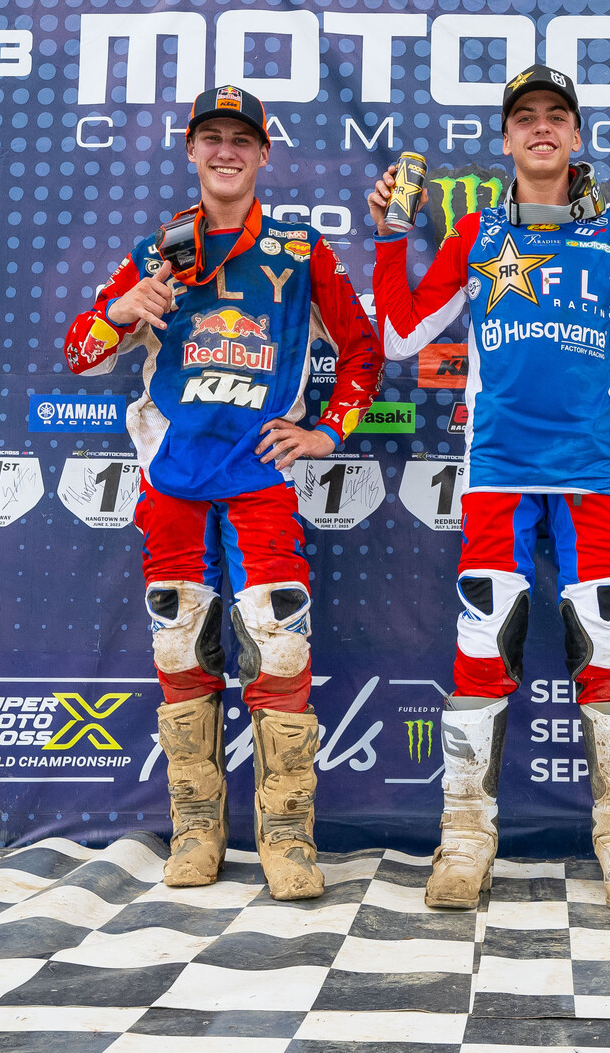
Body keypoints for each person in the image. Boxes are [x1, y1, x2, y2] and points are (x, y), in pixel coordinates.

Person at [366, 64, 610, 910]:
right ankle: (463, 842)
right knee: (483, 643)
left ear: (574, 136)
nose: (540, 129)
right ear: (505, 141)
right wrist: (389, 235)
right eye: (524, 117)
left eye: (556, 115)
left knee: (606, 644)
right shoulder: (478, 232)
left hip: (592, 477)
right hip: (495, 476)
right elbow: (401, 338)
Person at [63, 84, 377, 900]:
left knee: (279, 649)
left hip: (260, 482)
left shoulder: (303, 250)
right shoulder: (156, 253)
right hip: (172, 484)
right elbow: (76, 354)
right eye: (212, 138)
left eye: (242, 139)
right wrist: (120, 312)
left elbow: (364, 352)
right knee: (180, 650)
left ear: (264, 153)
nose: (226, 152)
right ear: (191, 150)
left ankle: (285, 837)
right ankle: (197, 829)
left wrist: (328, 432)